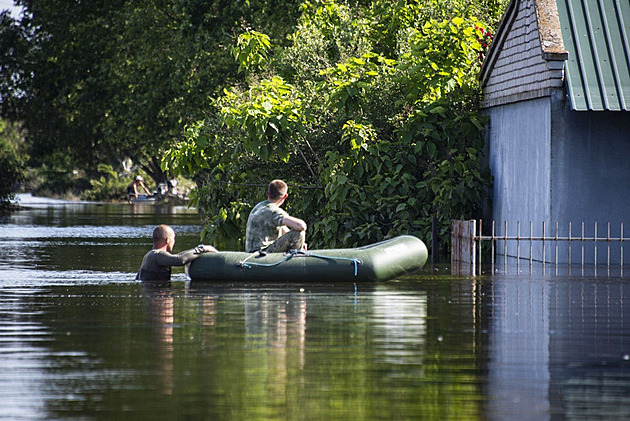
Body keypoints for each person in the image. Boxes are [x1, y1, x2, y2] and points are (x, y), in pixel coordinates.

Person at [136, 224, 218, 281]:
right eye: (173, 238)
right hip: (157, 295)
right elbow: (180, 259)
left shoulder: (150, 255)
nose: (174, 241)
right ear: (167, 240)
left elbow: (178, 256)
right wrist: (202, 249)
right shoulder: (157, 255)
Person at [245, 179, 307, 253]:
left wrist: (301, 242)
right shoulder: (273, 211)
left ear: (267, 193)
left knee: (291, 232)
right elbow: (301, 226)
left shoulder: (259, 206)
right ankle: (294, 259)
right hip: (262, 252)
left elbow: (283, 228)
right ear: (285, 196)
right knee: (299, 233)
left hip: (251, 251)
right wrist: (299, 239)